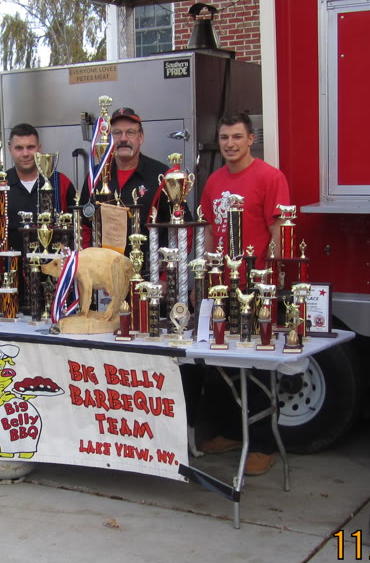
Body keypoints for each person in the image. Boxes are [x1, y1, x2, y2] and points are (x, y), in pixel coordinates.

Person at [194, 112, 289, 476]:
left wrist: (273, 283)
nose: (230, 144)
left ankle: (263, 444)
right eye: (224, 138)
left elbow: (278, 230)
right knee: (219, 363)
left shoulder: (270, 177)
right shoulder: (214, 181)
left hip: (256, 286)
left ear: (251, 139)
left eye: (237, 137)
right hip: (220, 284)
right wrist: (202, 280)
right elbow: (207, 234)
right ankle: (233, 433)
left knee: (258, 365)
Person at [76, 107, 175, 251]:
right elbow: (84, 226)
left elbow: (179, 228)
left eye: (130, 132)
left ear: (140, 137)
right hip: (103, 270)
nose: (123, 138)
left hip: (148, 270)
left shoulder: (161, 175)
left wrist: (165, 272)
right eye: (117, 133)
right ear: (108, 137)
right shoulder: (96, 175)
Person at [0, 123, 74, 254]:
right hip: (8, 270)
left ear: (39, 148)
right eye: (19, 148)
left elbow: (80, 230)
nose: (25, 154)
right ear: (10, 149)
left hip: (55, 268)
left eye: (30, 147)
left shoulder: (61, 183)